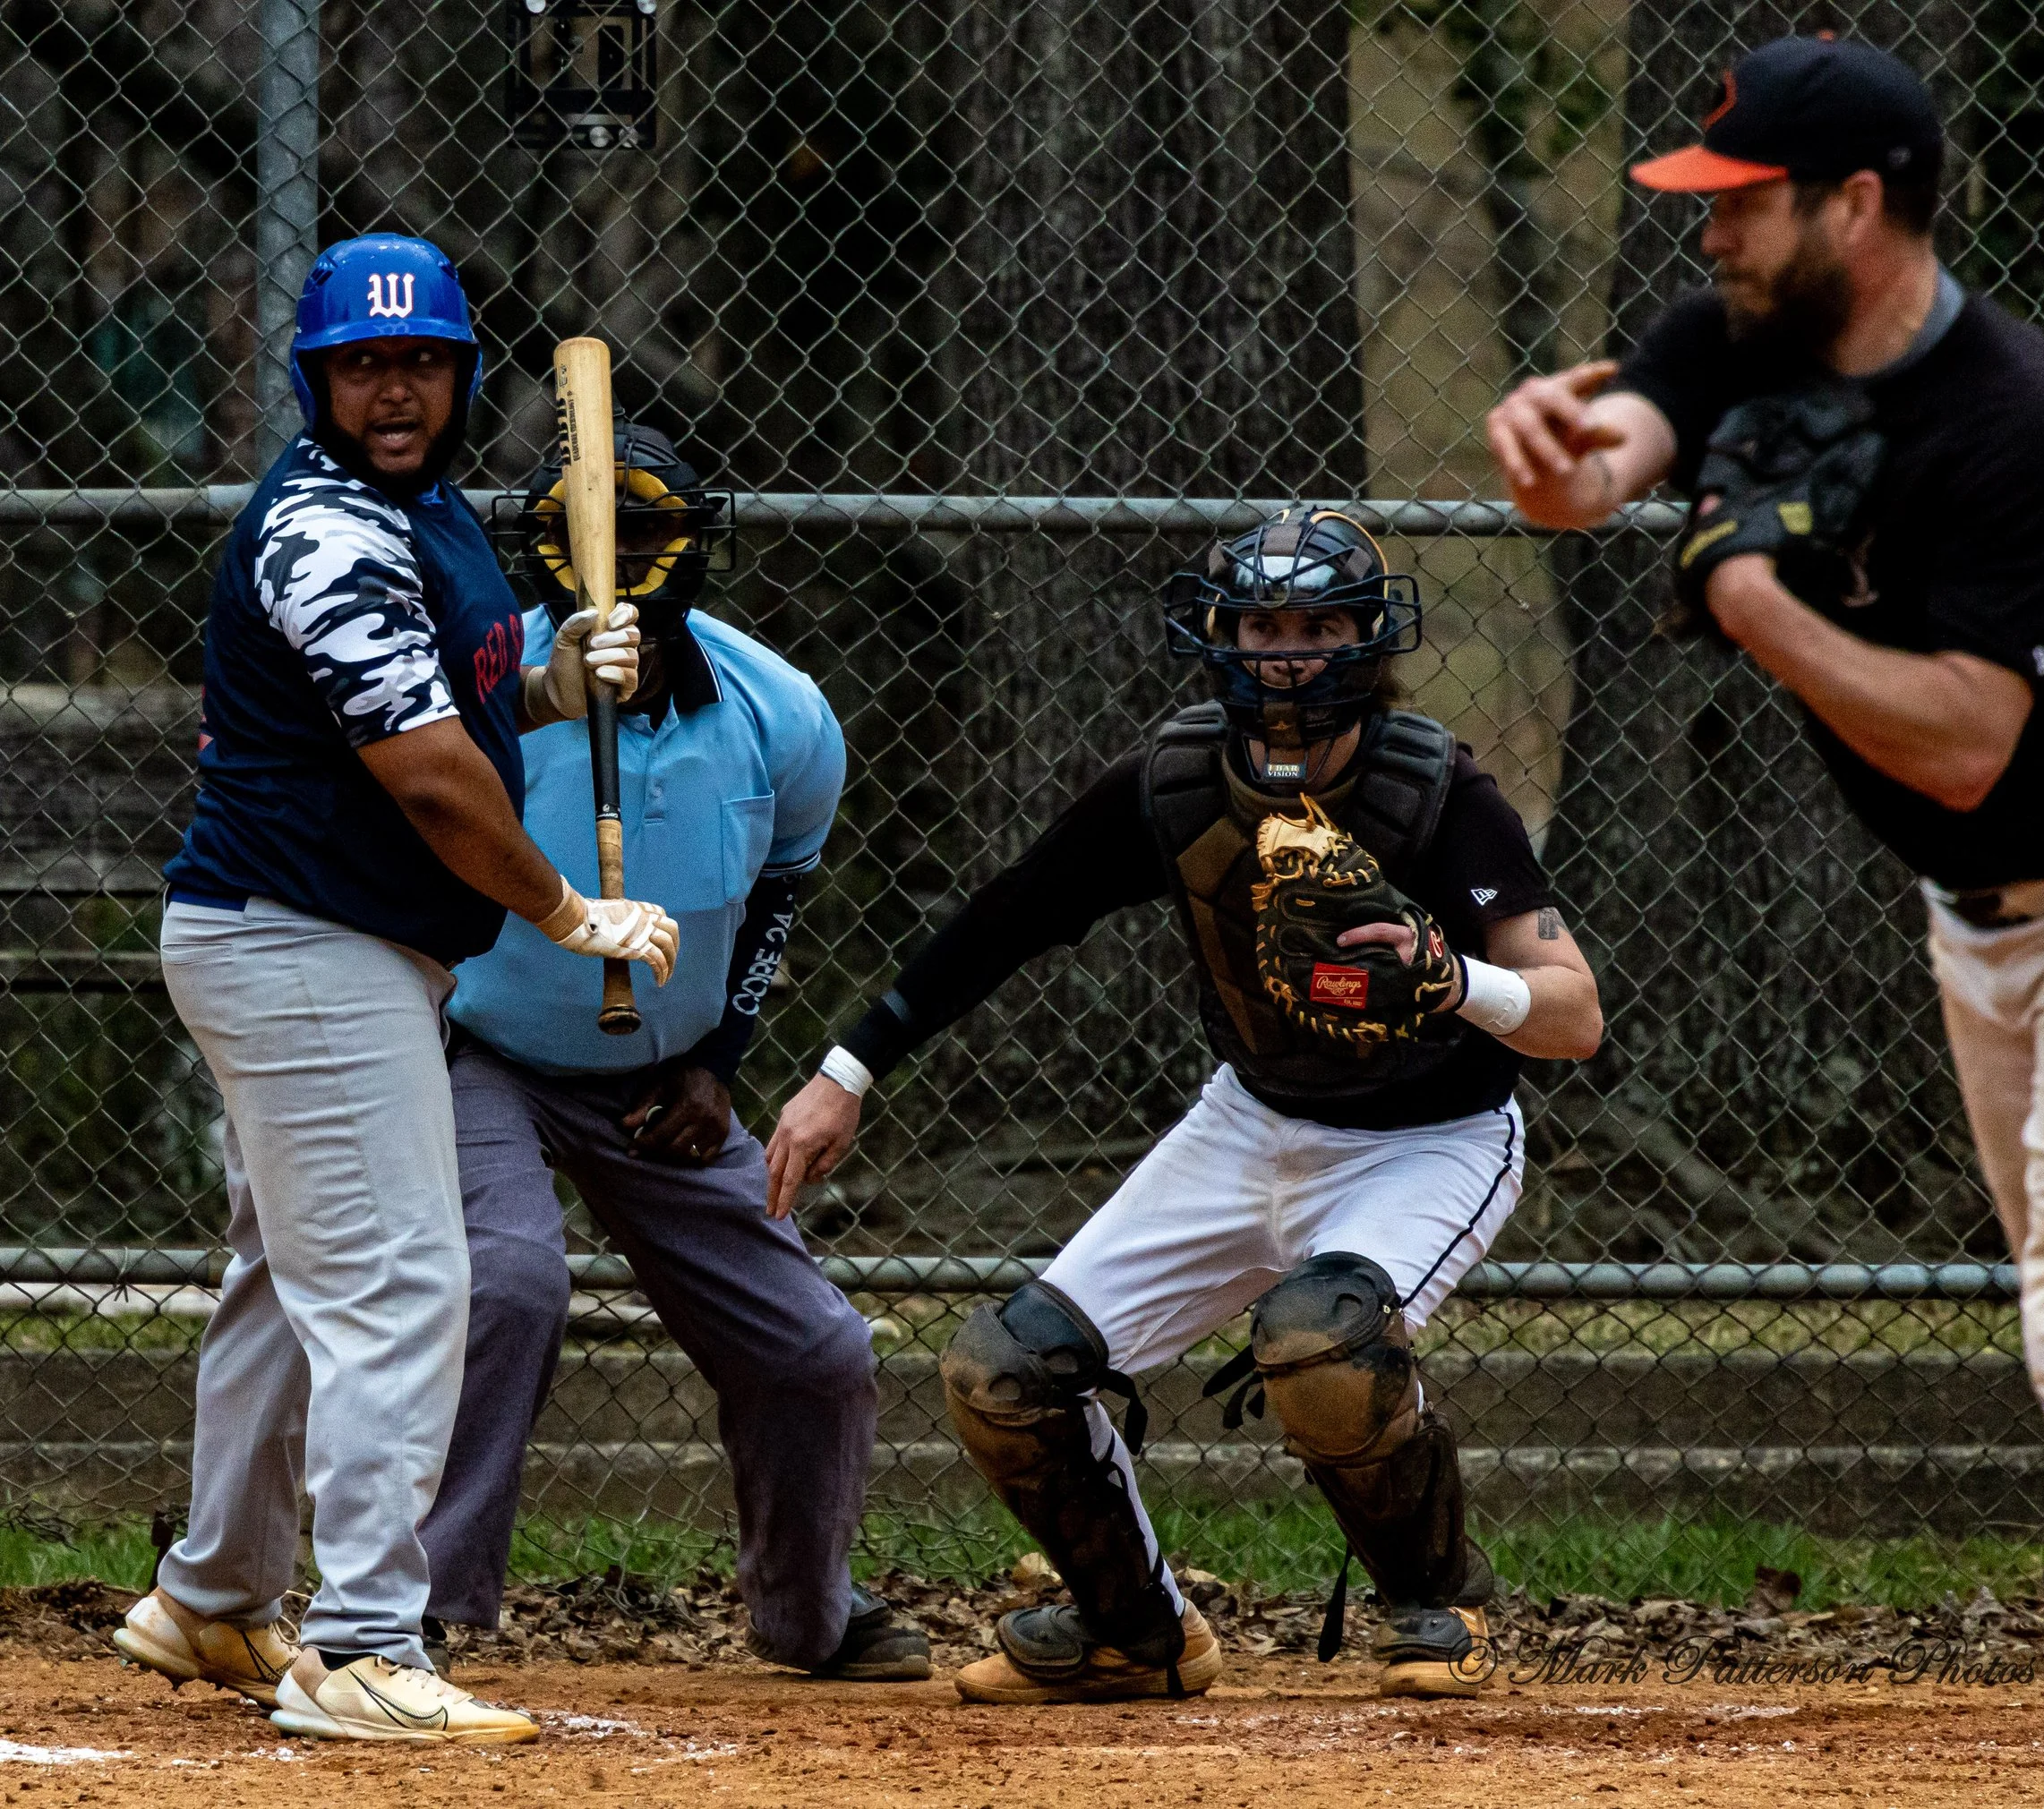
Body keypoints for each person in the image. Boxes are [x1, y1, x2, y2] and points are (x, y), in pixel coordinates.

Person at [1485, 36, 2044, 1809]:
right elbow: (1616, 453)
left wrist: (1744, 597)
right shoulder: (1751, 329)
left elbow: (1968, 744)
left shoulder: (2023, 423)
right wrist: (1555, 470)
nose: (1709, 239)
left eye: (1741, 206)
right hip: (1976, 932)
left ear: (1859, 205)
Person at [767, 507, 1604, 1703]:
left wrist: (1450, 976)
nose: (1289, 654)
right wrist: (844, 1073)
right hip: (1249, 1119)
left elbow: (1575, 1018)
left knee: (1319, 1343)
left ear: (1370, 640)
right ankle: (1134, 1631)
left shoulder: (1435, 792)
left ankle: (1438, 1604)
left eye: (1319, 626)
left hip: (1429, 1138)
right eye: (1265, 624)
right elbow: (1006, 921)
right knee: (1003, 1374)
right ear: (1220, 635)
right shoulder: (1172, 781)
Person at [114, 234, 678, 1745]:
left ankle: (212, 1598)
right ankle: (364, 1643)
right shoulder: (328, 536)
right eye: (362, 367)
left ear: (458, 374)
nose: (393, 392)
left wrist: (559, 679)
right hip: (305, 944)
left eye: (418, 363)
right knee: (405, 1283)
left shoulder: (421, 515)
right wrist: (571, 913)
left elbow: (462, 698)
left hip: (311, 941)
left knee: (285, 1284)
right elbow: (430, 775)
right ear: (315, 380)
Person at [417, 420, 928, 1683]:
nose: (613, 559)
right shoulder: (486, 686)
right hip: (481, 1048)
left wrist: (721, 1064)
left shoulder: (782, 714)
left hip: (667, 1079)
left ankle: (809, 1616)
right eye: (584, 532)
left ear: (695, 542)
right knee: (513, 1283)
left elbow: (776, 908)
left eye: (641, 529)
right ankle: (418, 1608)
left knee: (819, 1351)